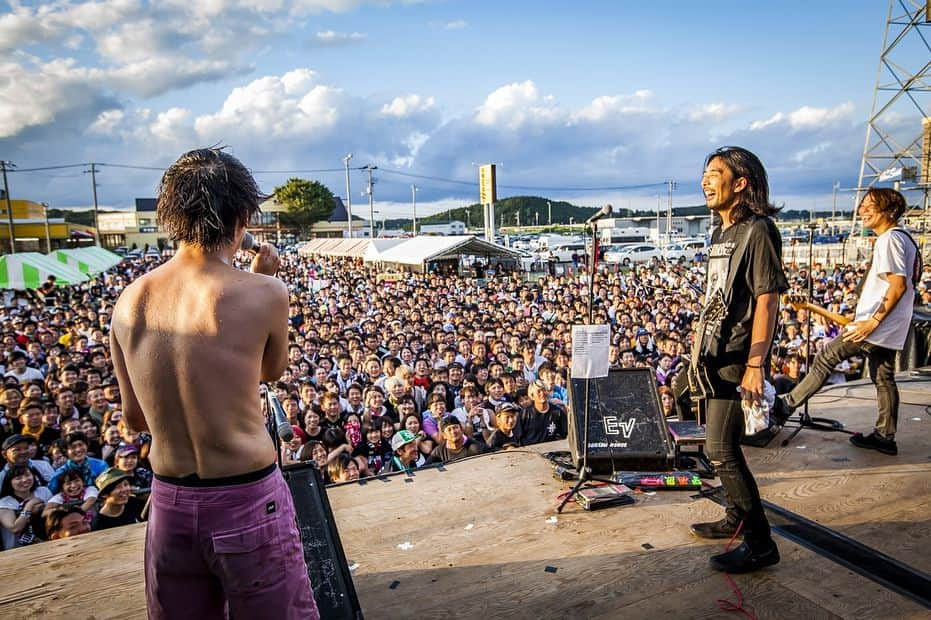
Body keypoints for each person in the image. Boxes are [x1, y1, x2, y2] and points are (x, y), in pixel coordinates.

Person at [109, 148, 317, 618]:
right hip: (246, 499)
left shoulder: (129, 300)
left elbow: (135, 417)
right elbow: (269, 371)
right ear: (243, 215)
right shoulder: (265, 292)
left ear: (169, 216)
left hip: (169, 503)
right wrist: (260, 279)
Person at [688, 146, 787, 573]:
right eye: (705, 173)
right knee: (719, 449)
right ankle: (735, 516)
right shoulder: (720, 232)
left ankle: (761, 543)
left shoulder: (758, 230)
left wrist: (755, 364)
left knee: (721, 450)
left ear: (741, 182)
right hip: (714, 352)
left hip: (737, 356)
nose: (706, 181)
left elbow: (767, 300)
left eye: (715, 173)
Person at [778, 188, 917, 456]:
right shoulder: (903, 238)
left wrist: (872, 322)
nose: (861, 211)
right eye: (862, 205)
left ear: (889, 211)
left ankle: (786, 405)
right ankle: (885, 436)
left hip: (877, 325)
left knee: (827, 357)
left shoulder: (889, 240)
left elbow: (897, 286)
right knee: (883, 376)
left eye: (868, 206)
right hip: (891, 326)